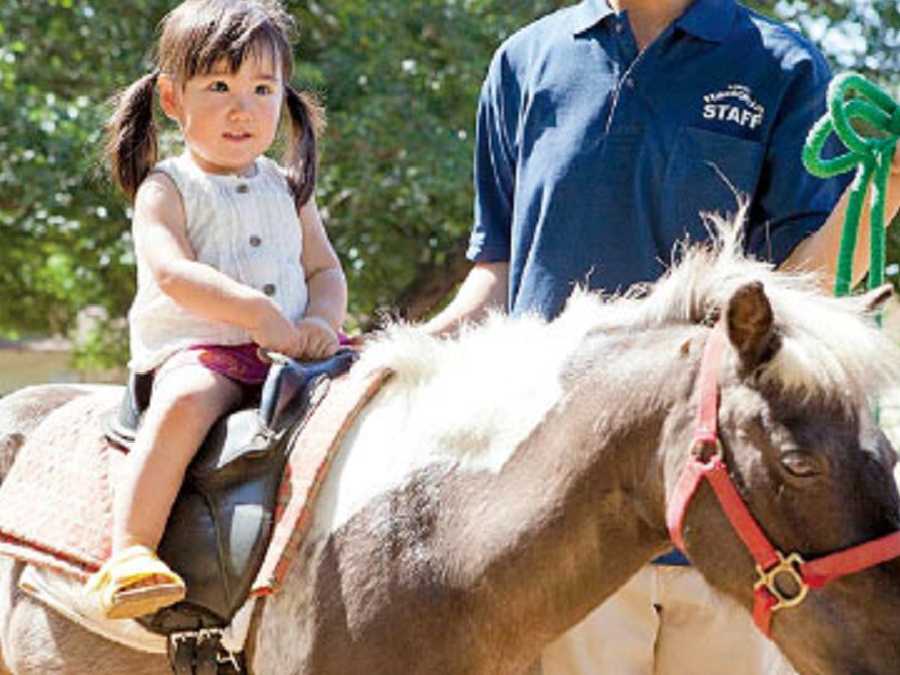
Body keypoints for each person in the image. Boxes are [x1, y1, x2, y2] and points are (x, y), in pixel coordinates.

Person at [425, 0, 900, 673]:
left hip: (733, 534)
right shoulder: (525, 62)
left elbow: (797, 296)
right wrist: (391, 357)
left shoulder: (782, 65)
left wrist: (888, 189)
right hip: (562, 529)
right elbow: (499, 275)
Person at [85, 0, 347, 620]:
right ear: (173, 99)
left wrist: (321, 323)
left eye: (262, 88)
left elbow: (324, 270)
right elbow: (172, 272)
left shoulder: (288, 187)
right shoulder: (168, 186)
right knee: (183, 402)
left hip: (288, 351)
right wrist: (253, 311)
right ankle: (131, 552)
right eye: (220, 86)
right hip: (202, 352)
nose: (243, 107)